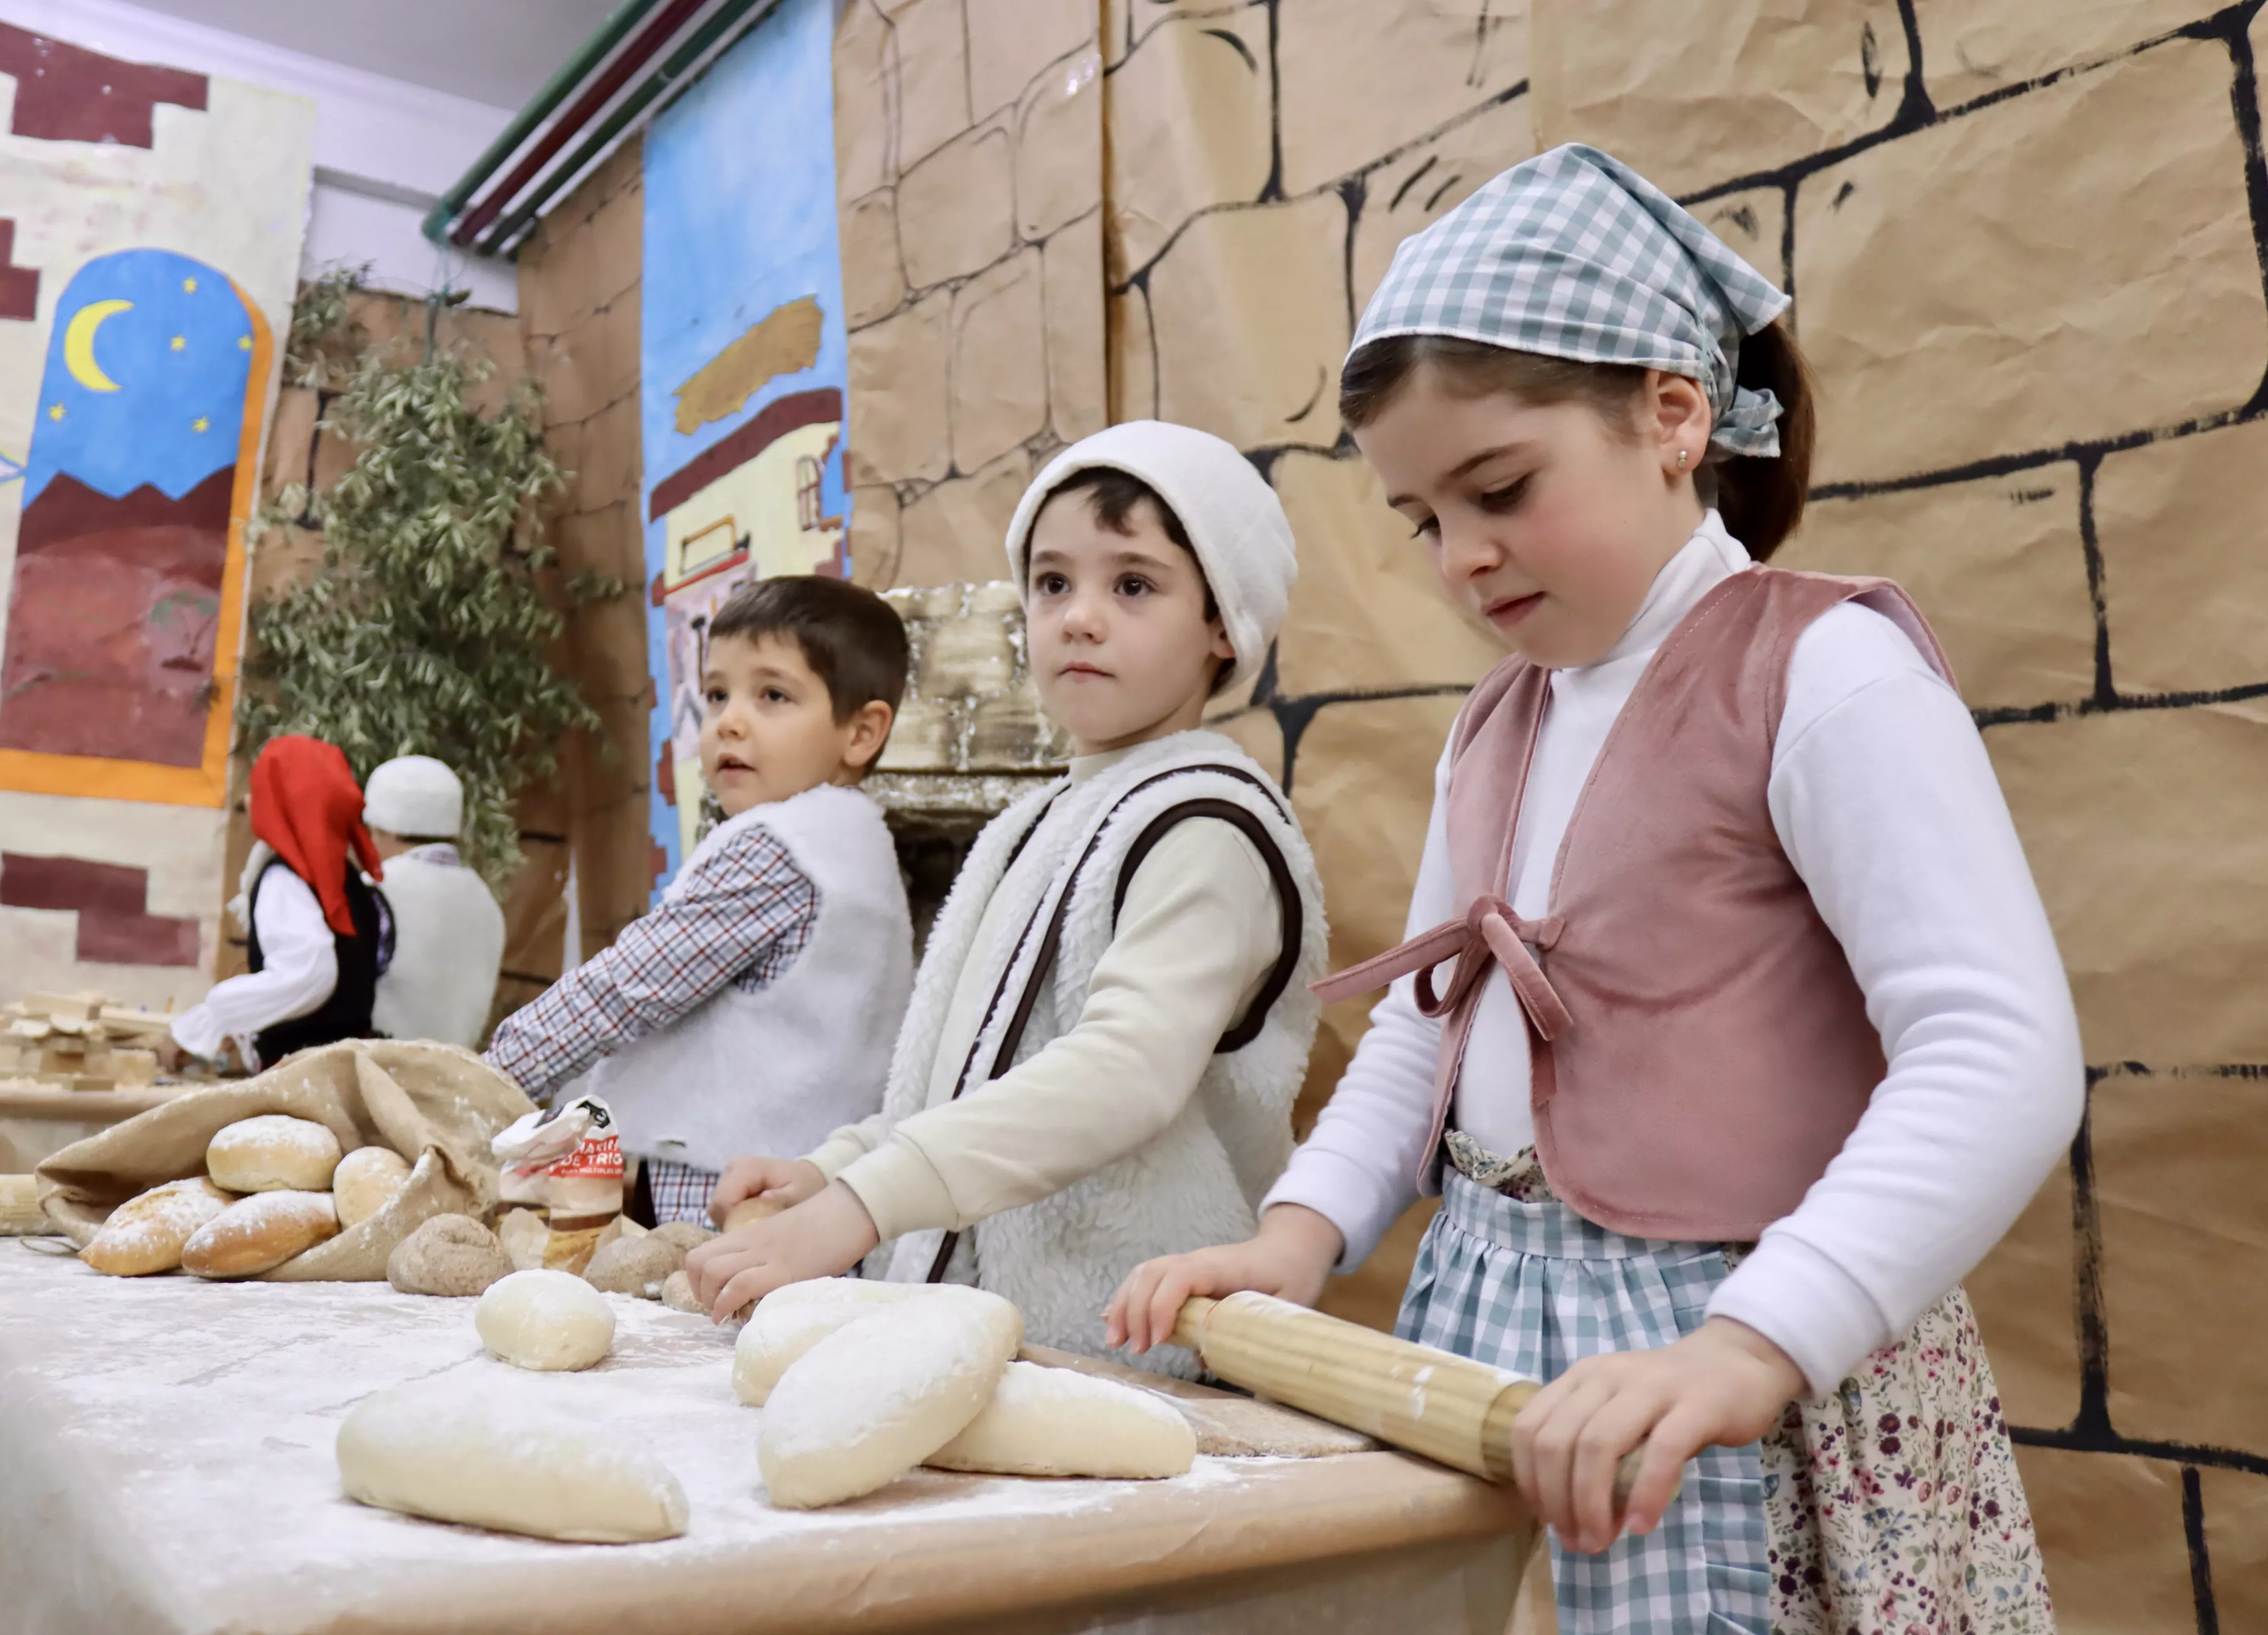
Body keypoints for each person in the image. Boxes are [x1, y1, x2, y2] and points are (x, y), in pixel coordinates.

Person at [1105, 146, 2079, 1632]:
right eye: (1423, 520)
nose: (1462, 556)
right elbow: (1425, 1044)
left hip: (1733, 1371)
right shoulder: (1498, 722)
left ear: (1673, 415)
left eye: (1501, 488)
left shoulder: (1822, 671)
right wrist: (1293, 1232)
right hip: (1496, 1330)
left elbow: (1997, 1054)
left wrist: (1754, 1344)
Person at [688, 423, 1329, 1373]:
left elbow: (1124, 1073)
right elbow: (963, 1069)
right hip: (990, 1344)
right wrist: (835, 1166)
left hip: (1128, 1349)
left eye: (1134, 585)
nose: (1078, 617)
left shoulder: (1207, 829)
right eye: (1053, 583)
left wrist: (856, 1212)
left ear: (1223, 627)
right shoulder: (1032, 827)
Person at [486, 576, 916, 1230]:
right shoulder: (856, 842)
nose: (730, 721)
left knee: (692, 1319)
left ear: (861, 731)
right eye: (717, 694)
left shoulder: (779, 849)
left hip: (725, 1186)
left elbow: (626, 988)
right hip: (812, 1179)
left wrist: (480, 1078)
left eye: (772, 695)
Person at [163, 736, 390, 1074]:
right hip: (343, 1072)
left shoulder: (285, 882)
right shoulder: (349, 882)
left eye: (260, 789)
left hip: (302, 1079)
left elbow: (308, 973)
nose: (248, 800)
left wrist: (204, 1023)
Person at [362, 755, 505, 1051]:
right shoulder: (485, 900)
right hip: (452, 1080)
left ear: (386, 830)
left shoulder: (376, 890)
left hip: (377, 1075)